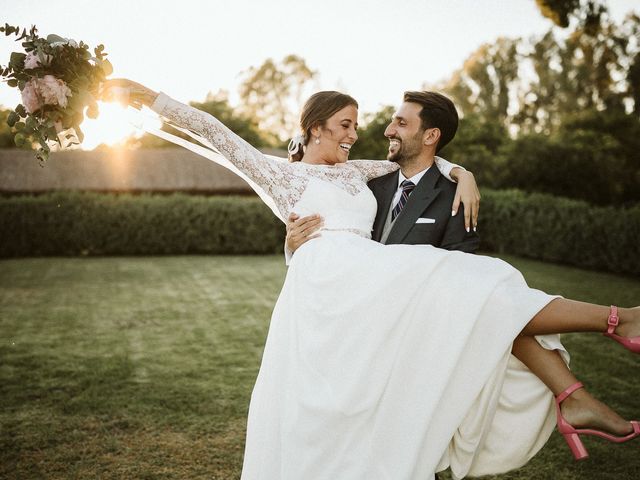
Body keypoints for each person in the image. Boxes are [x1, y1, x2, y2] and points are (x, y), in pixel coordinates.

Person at [102, 79, 640, 480]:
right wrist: (144, 95)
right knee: (477, 282)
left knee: (483, 287)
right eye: (344, 127)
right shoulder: (282, 175)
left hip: (371, 282)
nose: (356, 136)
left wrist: (464, 172)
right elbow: (213, 133)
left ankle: (604, 341)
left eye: (358, 127)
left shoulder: (361, 172)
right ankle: (615, 325)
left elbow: (423, 161)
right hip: (332, 288)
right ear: (314, 128)